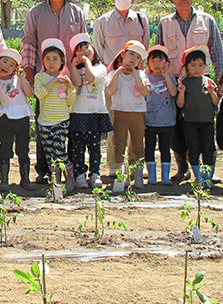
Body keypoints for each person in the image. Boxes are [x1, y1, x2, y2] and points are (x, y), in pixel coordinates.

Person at [20, 0, 86, 183]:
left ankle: (74, 168)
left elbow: (83, 44)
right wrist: (29, 70)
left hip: (71, 78)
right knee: (45, 124)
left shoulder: (77, 13)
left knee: (72, 124)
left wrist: (83, 70)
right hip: (45, 78)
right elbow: (29, 41)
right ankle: (44, 169)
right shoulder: (35, 13)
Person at [156, 0, 223, 182]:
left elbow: (217, 53)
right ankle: (182, 166)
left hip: (202, 81)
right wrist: (162, 82)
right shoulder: (165, 23)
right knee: (176, 125)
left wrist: (219, 83)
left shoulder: (207, 20)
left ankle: (208, 170)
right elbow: (160, 55)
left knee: (204, 123)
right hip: (176, 82)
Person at [92, 0, 150, 176]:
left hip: (135, 79)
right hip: (113, 79)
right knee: (113, 124)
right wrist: (113, 71)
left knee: (135, 125)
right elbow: (98, 50)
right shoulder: (102, 21)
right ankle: (115, 166)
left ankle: (134, 167)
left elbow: (145, 49)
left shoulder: (142, 20)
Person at [0, 48, 35, 192]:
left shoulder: (18, 80)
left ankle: (25, 178)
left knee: (23, 148)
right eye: (4, 62)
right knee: (5, 148)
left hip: (22, 117)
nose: (6, 66)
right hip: (6, 118)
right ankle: (4, 179)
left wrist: (22, 77)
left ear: (15, 68)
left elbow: (29, 93)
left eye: (11, 64)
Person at [33, 38, 77, 192]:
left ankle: (69, 176)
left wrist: (70, 86)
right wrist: (52, 82)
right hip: (45, 121)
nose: (51, 62)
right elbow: (39, 94)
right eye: (48, 59)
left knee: (60, 150)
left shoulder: (65, 80)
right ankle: (56, 180)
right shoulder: (40, 77)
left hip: (61, 121)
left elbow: (70, 101)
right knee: (50, 153)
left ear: (62, 62)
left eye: (55, 59)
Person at [68, 33, 111, 189]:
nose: (84, 51)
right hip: (78, 113)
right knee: (77, 147)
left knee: (95, 147)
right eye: (79, 50)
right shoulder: (76, 69)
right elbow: (77, 83)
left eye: (87, 47)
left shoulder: (100, 68)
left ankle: (95, 174)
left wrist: (87, 63)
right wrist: (73, 66)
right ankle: (79, 175)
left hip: (96, 112)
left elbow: (92, 78)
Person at [105, 40, 150, 189]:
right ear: (123, 55)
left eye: (137, 57)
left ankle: (137, 176)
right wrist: (118, 72)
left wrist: (136, 75)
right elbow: (111, 91)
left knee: (138, 145)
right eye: (131, 54)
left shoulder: (142, 74)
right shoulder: (112, 73)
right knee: (120, 144)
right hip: (119, 113)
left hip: (137, 114)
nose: (133, 59)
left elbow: (144, 92)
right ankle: (120, 176)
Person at [176, 46, 220, 188]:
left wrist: (212, 92)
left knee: (208, 149)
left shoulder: (208, 82)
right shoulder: (185, 83)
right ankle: (198, 177)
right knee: (193, 149)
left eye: (200, 65)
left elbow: (215, 102)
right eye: (193, 65)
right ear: (187, 66)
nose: (197, 68)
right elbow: (180, 104)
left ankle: (208, 177)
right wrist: (181, 92)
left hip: (207, 122)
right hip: (190, 122)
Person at [143, 45, 178, 185]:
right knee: (149, 148)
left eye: (160, 61)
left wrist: (166, 76)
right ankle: (152, 176)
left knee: (165, 148)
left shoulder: (170, 78)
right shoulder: (145, 78)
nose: (157, 64)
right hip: (149, 121)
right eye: (153, 61)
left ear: (167, 63)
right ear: (148, 63)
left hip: (167, 121)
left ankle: (165, 176)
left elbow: (173, 93)